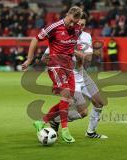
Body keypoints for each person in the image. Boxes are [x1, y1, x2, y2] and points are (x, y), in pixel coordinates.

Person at [22, 6, 83, 143]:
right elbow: (35, 39)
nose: (73, 25)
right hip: (55, 65)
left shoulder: (77, 28)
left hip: (68, 67)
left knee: (69, 100)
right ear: (68, 14)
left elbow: (72, 46)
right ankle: (65, 131)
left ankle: (41, 122)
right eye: (71, 21)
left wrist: (78, 57)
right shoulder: (54, 27)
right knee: (66, 95)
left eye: (76, 22)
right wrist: (30, 59)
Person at [42, 13, 108, 139]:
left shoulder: (86, 36)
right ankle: (55, 120)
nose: (81, 26)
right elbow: (44, 58)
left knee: (99, 103)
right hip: (69, 75)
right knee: (83, 112)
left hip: (82, 74)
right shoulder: (63, 34)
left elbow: (88, 58)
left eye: (83, 24)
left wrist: (74, 52)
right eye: (79, 24)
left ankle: (90, 132)